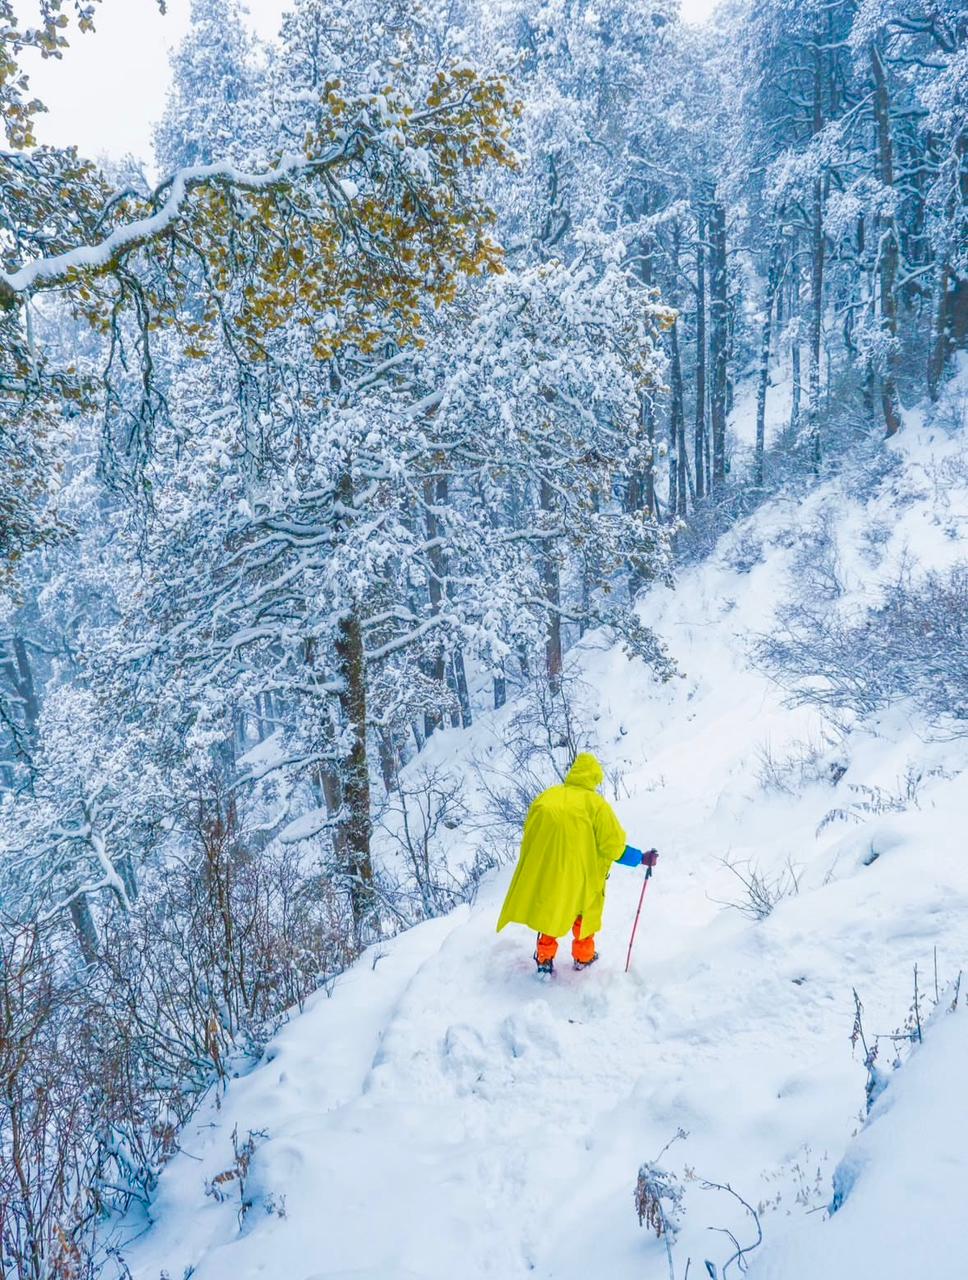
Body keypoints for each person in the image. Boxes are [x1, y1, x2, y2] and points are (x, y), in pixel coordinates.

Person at [496, 751, 657, 974]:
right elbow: (614, 848)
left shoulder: (548, 796)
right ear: (594, 778)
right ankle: (584, 957)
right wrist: (641, 858)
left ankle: (544, 959)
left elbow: (531, 830)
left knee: (551, 912)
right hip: (583, 876)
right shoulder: (596, 805)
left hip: (550, 871)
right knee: (583, 915)